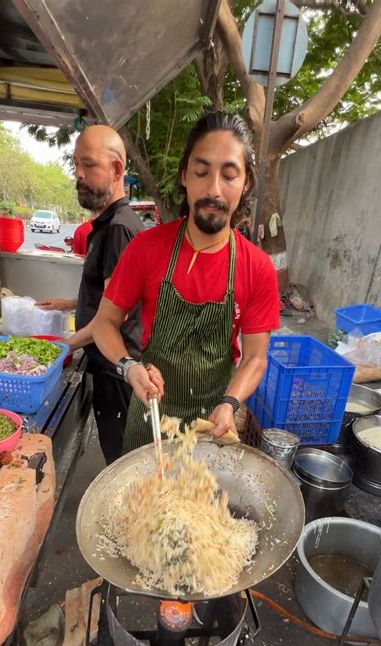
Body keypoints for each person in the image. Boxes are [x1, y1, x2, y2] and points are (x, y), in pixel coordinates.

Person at [91, 111, 280, 453]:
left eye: (229, 175)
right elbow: (104, 322)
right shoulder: (146, 248)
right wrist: (129, 366)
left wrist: (231, 403)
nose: (213, 190)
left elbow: (255, 357)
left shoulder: (257, 267)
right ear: (184, 177)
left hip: (212, 424)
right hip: (149, 415)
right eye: (201, 172)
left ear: (246, 183)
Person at [35, 125, 143, 463]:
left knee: (122, 463)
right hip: (111, 367)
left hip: (117, 372)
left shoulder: (118, 230)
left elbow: (114, 316)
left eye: (88, 165)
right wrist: (70, 304)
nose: (78, 175)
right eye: (75, 165)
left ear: (116, 170)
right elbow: (111, 296)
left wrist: (63, 347)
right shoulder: (109, 223)